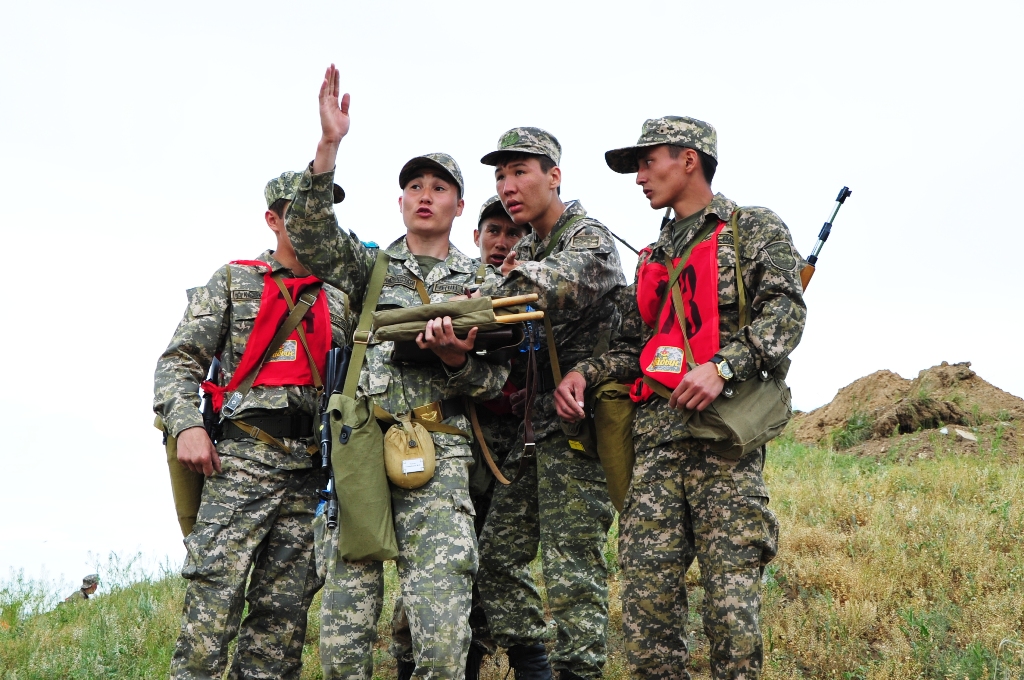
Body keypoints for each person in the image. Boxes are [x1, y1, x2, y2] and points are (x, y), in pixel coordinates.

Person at [284, 64, 509, 680]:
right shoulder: (368, 268)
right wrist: (329, 145)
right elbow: (309, 233)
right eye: (414, 186)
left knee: (442, 626)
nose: (425, 195)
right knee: (346, 625)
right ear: (401, 201)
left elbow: (498, 382)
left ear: (459, 205)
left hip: (442, 450)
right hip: (361, 446)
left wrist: (457, 360)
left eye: (439, 187)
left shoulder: (483, 282)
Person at [561, 116, 807, 679]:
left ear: (689, 159)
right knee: (646, 610)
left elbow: (786, 313)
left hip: (724, 445)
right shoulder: (653, 255)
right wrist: (583, 373)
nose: (639, 177)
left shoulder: (751, 228)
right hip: (655, 446)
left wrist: (723, 367)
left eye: (649, 162)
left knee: (731, 612)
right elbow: (633, 349)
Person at [153, 170, 353, 680]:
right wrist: (188, 426)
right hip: (238, 464)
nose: (313, 222)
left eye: (322, 213)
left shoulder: (341, 299)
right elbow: (178, 361)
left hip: (310, 472)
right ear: (272, 220)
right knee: (210, 612)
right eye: (298, 213)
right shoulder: (233, 280)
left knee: (281, 626)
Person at [474, 127, 625, 680]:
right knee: (495, 560)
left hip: (579, 428)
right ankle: (536, 667)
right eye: (500, 176)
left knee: (571, 570)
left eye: (520, 172)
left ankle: (578, 673)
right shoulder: (530, 249)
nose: (508, 186)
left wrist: (479, 297)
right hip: (534, 429)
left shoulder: (588, 239)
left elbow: (550, 287)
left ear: (554, 176)